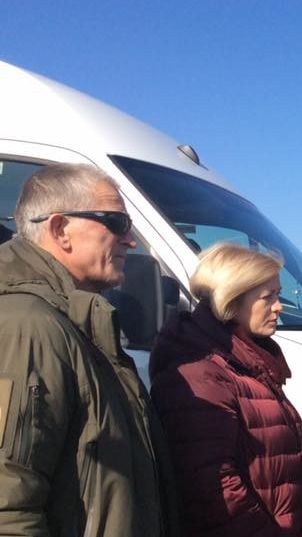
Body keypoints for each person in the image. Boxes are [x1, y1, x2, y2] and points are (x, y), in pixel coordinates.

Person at [0, 163, 178, 536]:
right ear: (60, 229)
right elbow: (9, 506)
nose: (130, 240)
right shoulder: (28, 325)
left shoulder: (78, 320)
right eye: (116, 222)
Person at [149, 242, 302, 536]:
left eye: (278, 294)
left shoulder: (251, 365)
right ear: (232, 300)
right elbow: (214, 491)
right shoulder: (202, 375)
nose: (279, 306)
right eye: (268, 296)